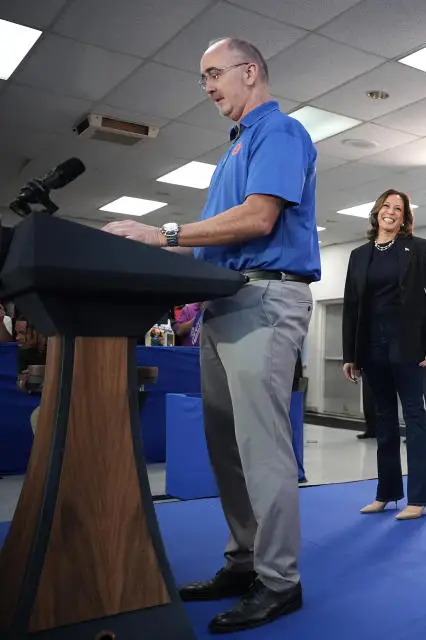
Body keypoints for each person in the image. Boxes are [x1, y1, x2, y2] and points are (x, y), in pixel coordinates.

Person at [102, 36, 318, 633]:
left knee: (261, 448)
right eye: (202, 78)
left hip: (266, 298)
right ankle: (245, 560)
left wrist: (165, 233)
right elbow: (219, 239)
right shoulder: (234, 149)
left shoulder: (280, 132)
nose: (207, 87)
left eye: (213, 74)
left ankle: (280, 582)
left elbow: (259, 218)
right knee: (225, 447)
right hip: (226, 303)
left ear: (250, 72)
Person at [341, 188, 426, 520]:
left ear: (404, 218)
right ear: (376, 212)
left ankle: (419, 498)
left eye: (398, 209)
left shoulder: (416, 248)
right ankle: (386, 493)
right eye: (386, 206)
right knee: (383, 420)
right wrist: (350, 353)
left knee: (415, 416)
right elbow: (352, 306)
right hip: (371, 346)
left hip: (408, 343)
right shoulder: (359, 255)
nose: (391, 212)